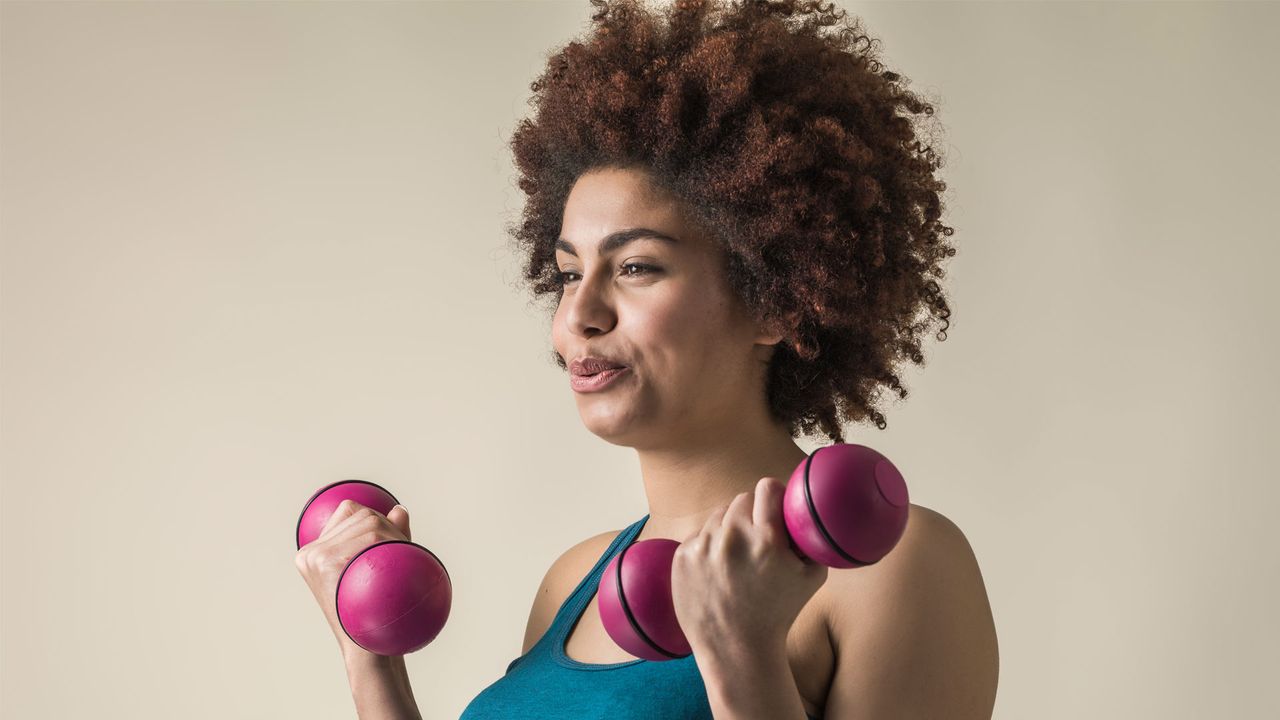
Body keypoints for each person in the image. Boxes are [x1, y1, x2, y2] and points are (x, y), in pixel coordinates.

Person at [297, 1, 998, 718]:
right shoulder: (573, 582)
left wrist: (742, 656)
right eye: (570, 273)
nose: (579, 316)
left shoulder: (895, 563)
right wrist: (369, 663)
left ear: (774, 301)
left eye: (636, 267)